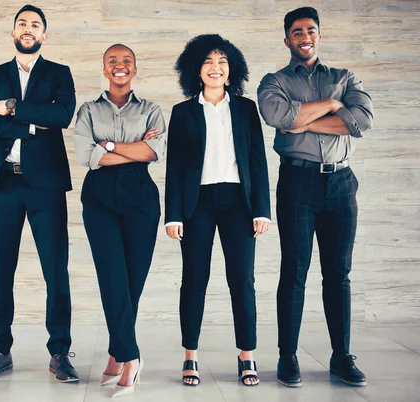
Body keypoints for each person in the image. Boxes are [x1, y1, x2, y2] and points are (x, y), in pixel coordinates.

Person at [257, 6, 373, 388]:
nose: (304, 37)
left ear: (319, 35)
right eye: (296, 32)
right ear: (287, 38)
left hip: (341, 183)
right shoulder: (274, 81)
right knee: (294, 271)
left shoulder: (345, 76)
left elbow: (363, 121)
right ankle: (287, 357)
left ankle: (341, 357)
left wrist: (302, 119)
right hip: (298, 183)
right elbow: (276, 116)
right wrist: (333, 107)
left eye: (310, 30)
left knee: (338, 273)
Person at [0, 4, 78, 382]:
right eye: (22, 24)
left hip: (45, 184)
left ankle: (60, 352)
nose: (27, 29)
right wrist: (33, 122)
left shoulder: (59, 74)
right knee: (0, 270)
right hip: (1, 182)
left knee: (55, 270)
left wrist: (12, 108)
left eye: (34, 25)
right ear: (12, 33)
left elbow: (62, 116)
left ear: (44, 35)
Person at [165, 34, 271, 387]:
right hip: (197, 205)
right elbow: (175, 167)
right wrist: (174, 214)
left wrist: (262, 210)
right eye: (208, 62)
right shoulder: (182, 112)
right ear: (196, 70)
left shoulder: (245, 108)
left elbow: (257, 160)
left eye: (222, 61)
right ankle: (190, 356)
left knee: (242, 280)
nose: (216, 67)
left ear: (232, 69)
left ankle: (247, 355)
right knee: (194, 280)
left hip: (239, 204)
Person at [73, 44, 166, 397]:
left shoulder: (152, 109)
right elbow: (86, 155)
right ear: (104, 69)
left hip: (141, 197)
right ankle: (130, 356)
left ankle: (115, 351)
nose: (120, 66)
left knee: (132, 280)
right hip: (99, 198)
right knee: (111, 275)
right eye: (113, 61)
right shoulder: (88, 110)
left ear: (135, 68)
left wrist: (109, 146)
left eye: (126, 61)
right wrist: (133, 147)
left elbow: (155, 152)